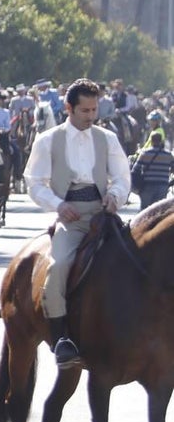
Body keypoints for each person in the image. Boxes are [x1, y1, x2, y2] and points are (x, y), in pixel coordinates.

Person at [24, 78, 130, 369]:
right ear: (68, 108)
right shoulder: (48, 140)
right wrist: (58, 205)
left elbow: (122, 176)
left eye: (94, 109)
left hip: (103, 213)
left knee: (137, 259)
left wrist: (115, 195)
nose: (91, 116)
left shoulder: (107, 138)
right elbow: (33, 182)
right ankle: (61, 340)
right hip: (70, 217)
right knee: (58, 268)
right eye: (85, 110)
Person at [132, 132, 173, 210]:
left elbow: (135, 169)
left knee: (145, 211)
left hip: (147, 186)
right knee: (159, 211)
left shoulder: (145, 153)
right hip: (162, 186)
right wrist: (170, 182)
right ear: (161, 141)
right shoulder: (168, 155)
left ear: (151, 141)